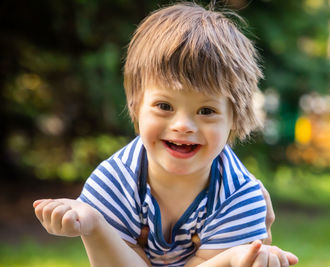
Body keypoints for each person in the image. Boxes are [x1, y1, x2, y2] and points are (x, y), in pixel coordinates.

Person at [33, 2, 298, 266]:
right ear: (136, 105)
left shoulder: (239, 196)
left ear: (235, 118)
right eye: (164, 106)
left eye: (206, 110)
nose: (183, 125)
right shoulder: (115, 181)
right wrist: (96, 226)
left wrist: (232, 259)